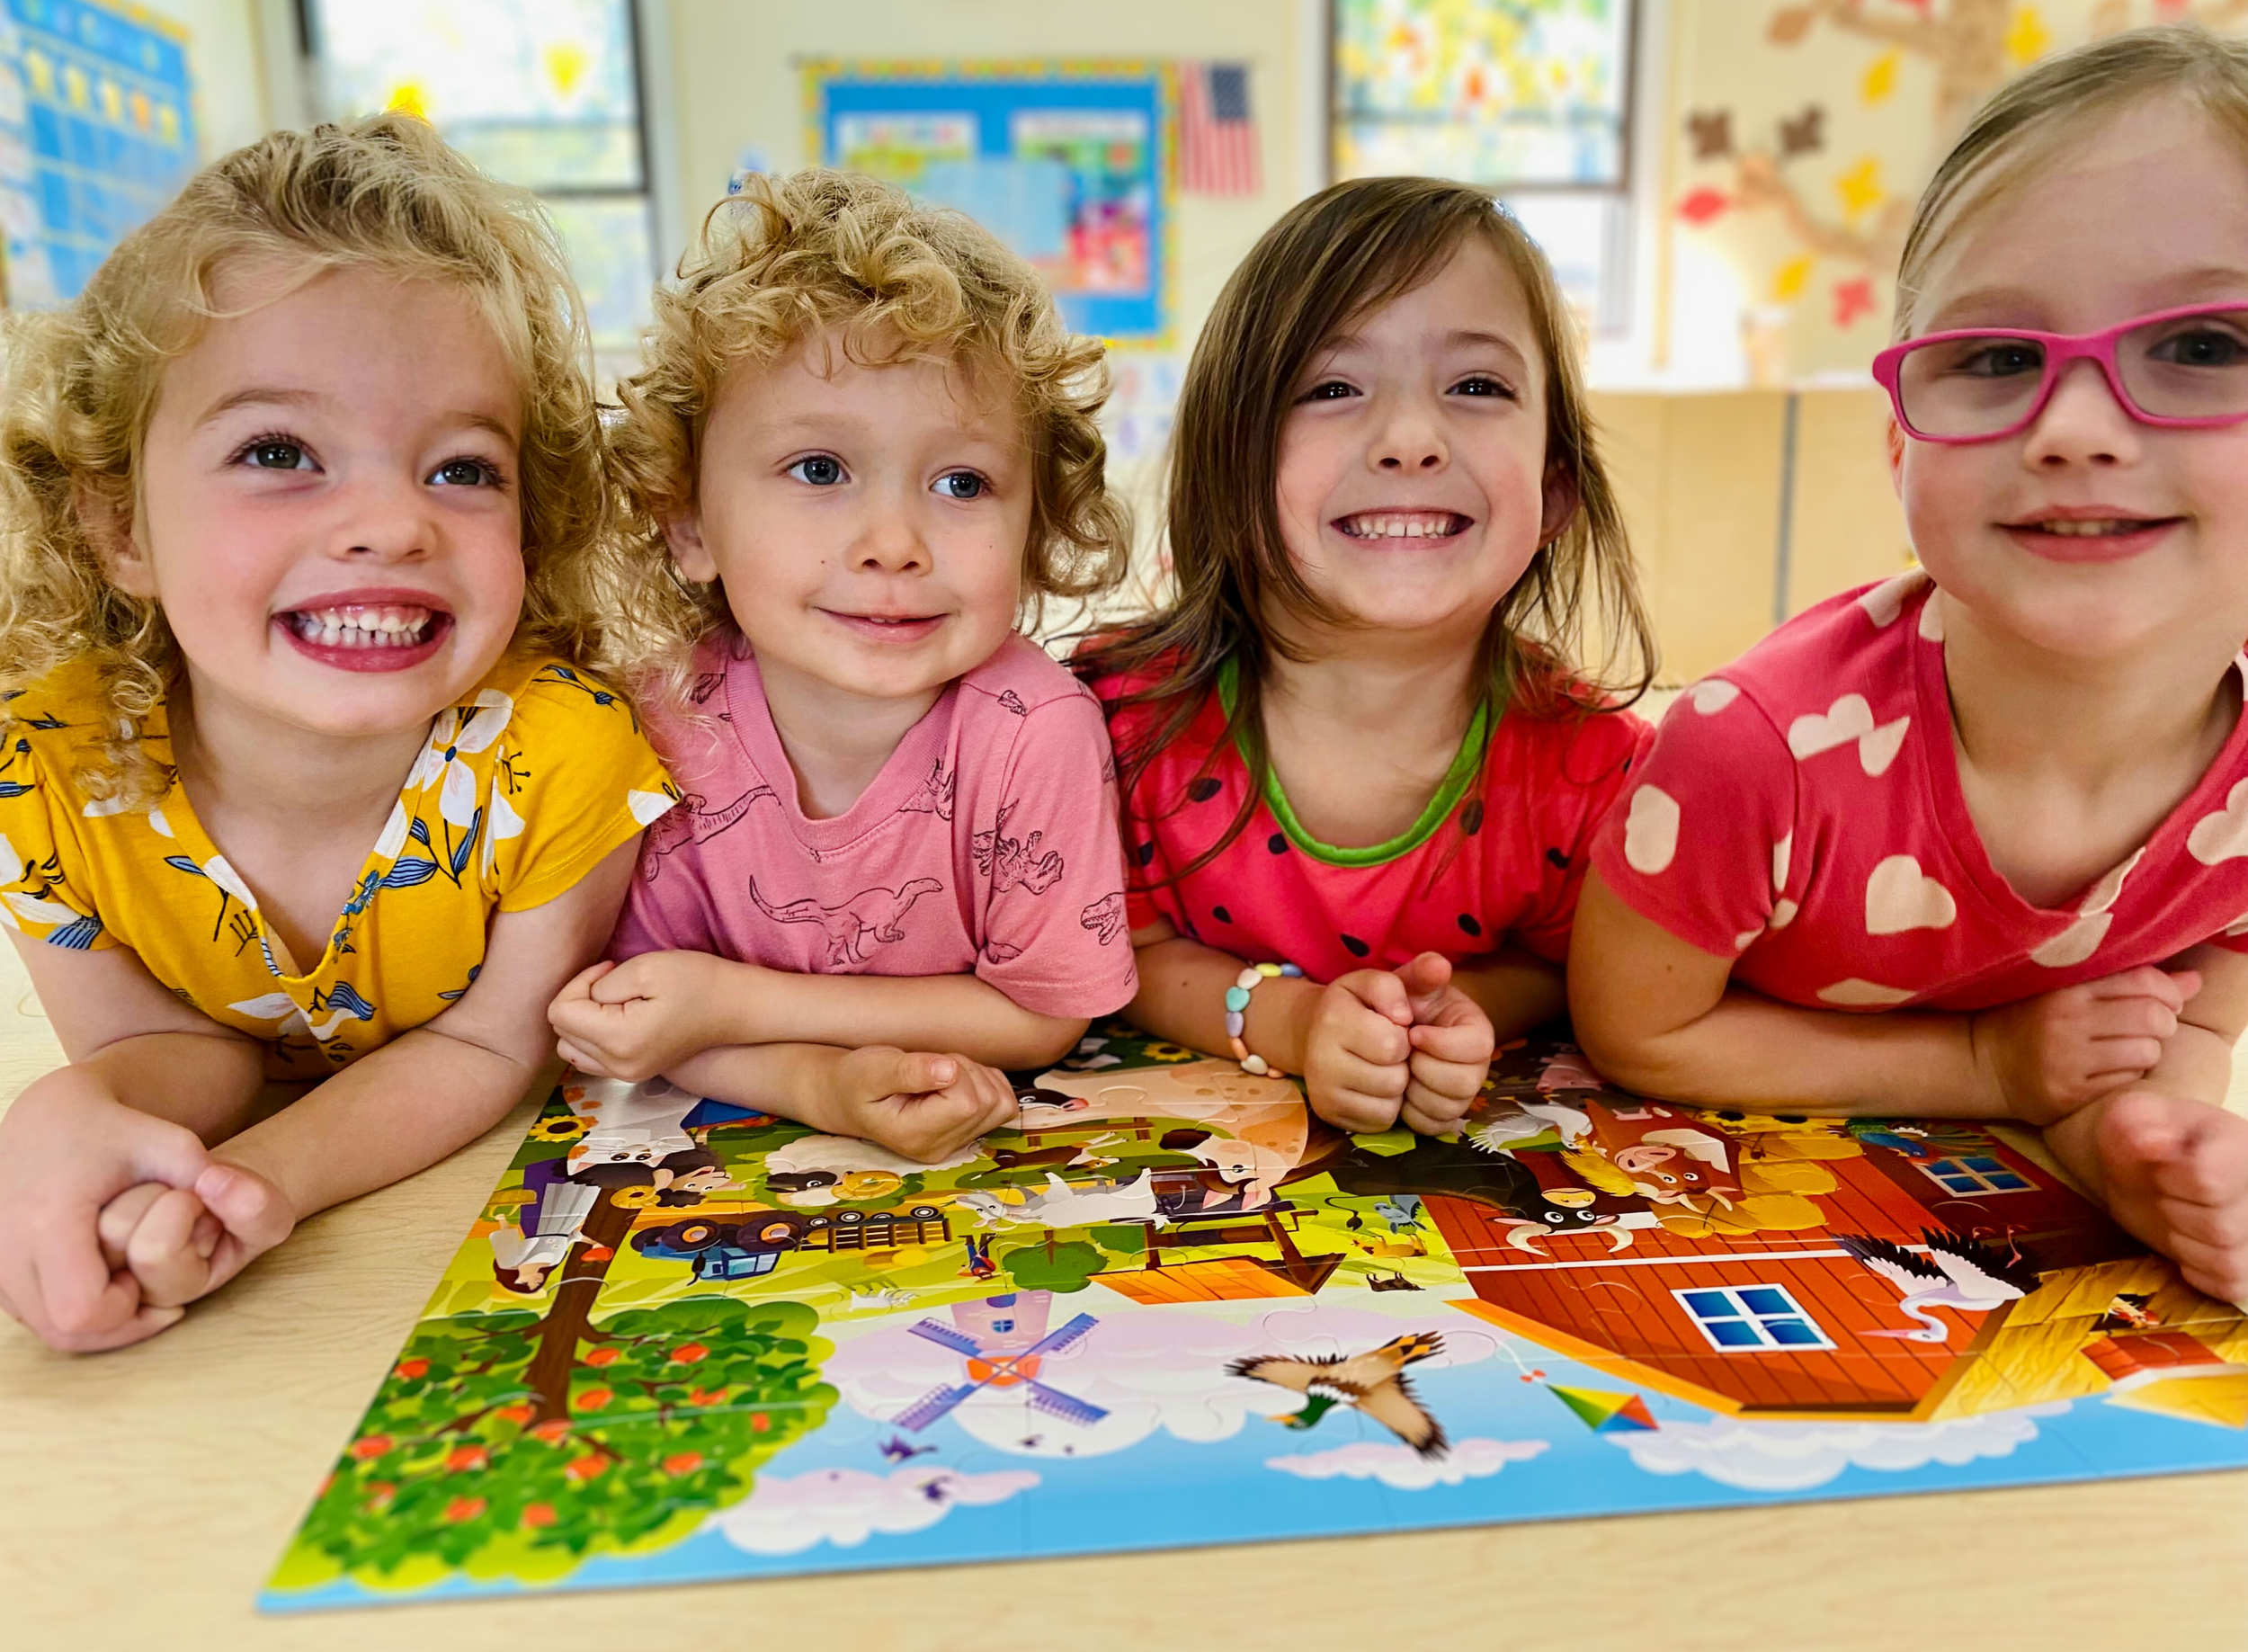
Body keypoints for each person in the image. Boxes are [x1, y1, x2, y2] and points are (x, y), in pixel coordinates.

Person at [1570, 27, 2248, 1305]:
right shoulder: (1750, 751)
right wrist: (1990, 1070)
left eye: (2206, 347)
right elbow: (1637, 1023)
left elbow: (2196, 1013)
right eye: (1996, 359)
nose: (2079, 429)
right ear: (1898, 446)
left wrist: (2141, 1136)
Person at [0, 117, 678, 1353]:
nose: (389, 523)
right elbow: (169, 1048)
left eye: (462, 469)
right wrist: (70, 1109)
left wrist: (257, 1185)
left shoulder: (564, 753)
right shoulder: (41, 773)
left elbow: (486, 1044)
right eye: (278, 451)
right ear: (119, 527)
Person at [546, 169, 1136, 1164]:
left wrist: (734, 1001)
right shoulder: (654, 730)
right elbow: (643, 1021)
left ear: (1033, 526)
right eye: (819, 470)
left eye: (962, 482)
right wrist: (818, 1083)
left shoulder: (1036, 731)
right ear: (688, 522)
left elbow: (1041, 1019)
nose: (893, 542)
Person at [1075, 177, 1655, 1139]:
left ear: (1554, 493)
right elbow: (1127, 948)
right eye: (1332, 388)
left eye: (1476, 386)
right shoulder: (1111, 726)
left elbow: (1562, 962)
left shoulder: (1594, 767)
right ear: (1229, 470)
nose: (1410, 441)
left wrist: (1457, 1015)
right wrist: (1296, 1023)